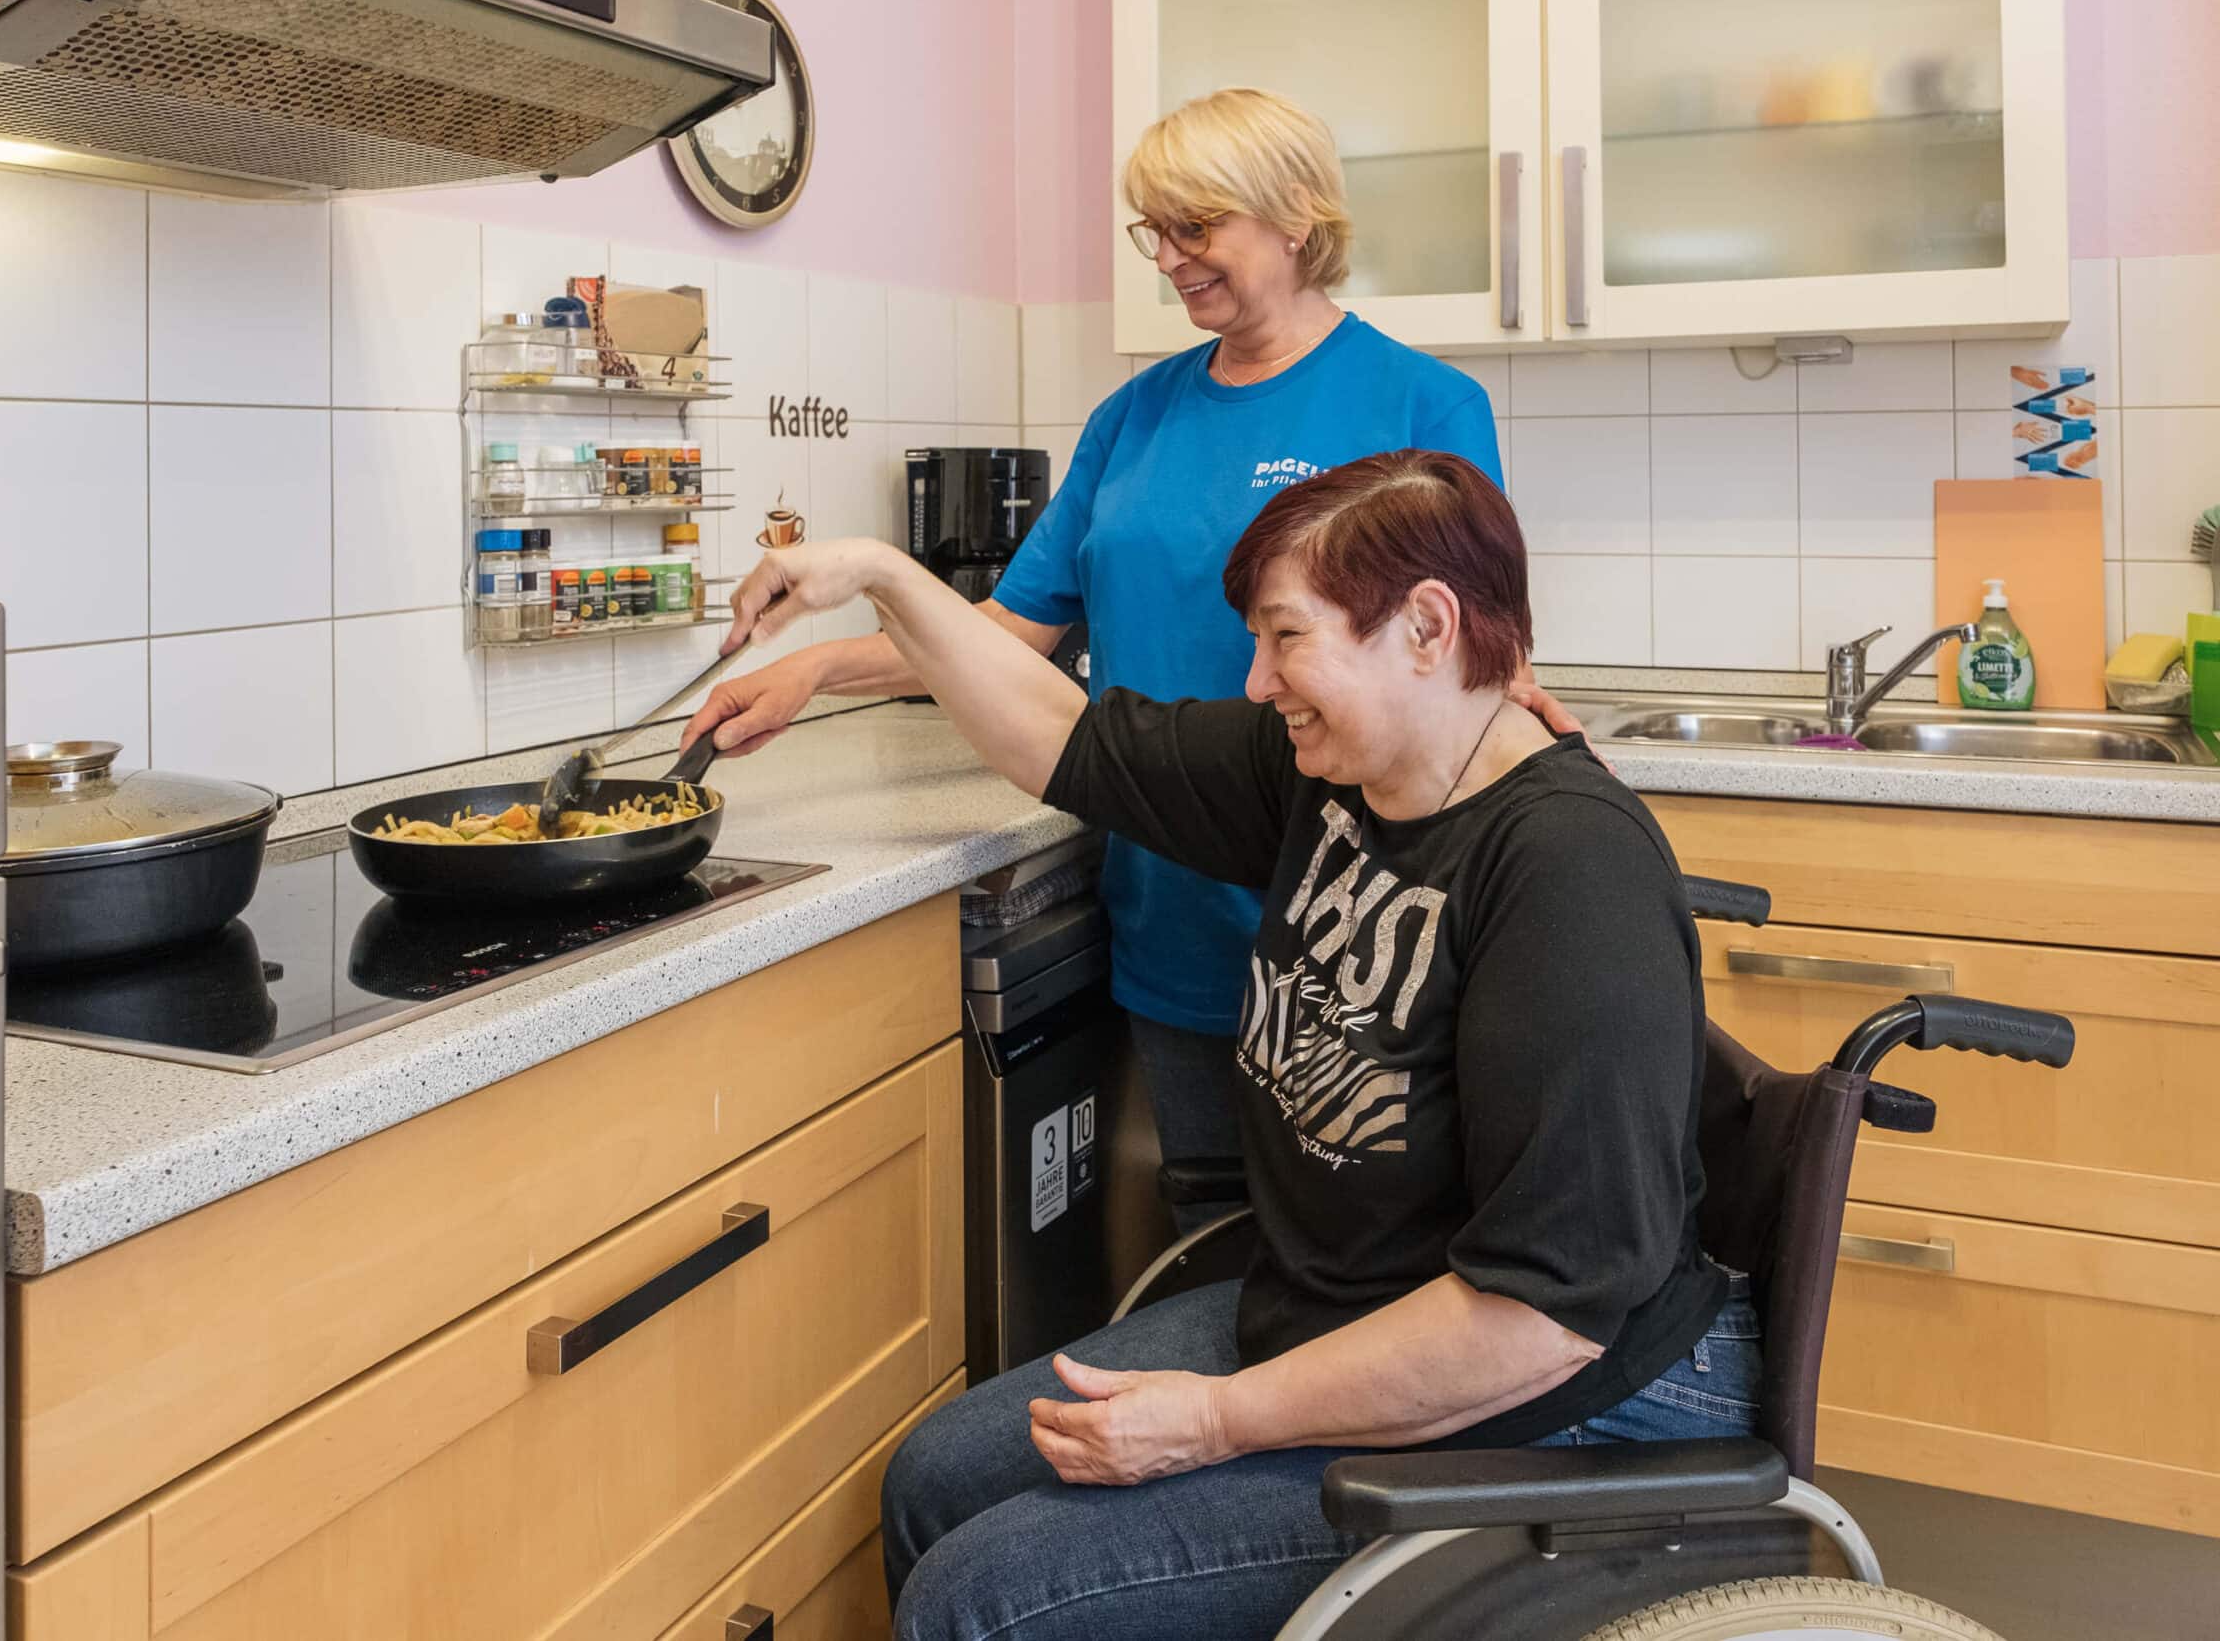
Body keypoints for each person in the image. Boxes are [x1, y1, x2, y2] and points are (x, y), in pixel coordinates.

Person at [714, 451, 1755, 1640]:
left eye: (1286, 638)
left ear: (1426, 628)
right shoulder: (1339, 777)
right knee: (933, 1480)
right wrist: (880, 574)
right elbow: (1065, 738)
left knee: (980, 1598)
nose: (1257, 683)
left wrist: (1213, 1422)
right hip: (1343, 1305)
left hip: (1562, 1400)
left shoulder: (1567, 872)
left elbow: (1539, 1316)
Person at [686, 87, 1525, 1229]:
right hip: (1170, 898)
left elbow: (1475, 662)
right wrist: (817, 669)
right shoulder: (1131, 419)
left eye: (1196, 226)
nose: (1169, 259)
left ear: (1295, 217)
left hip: (1353, 919)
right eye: (1154, 231)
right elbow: (1008, 637)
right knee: (1212, 1227)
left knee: (1365, 1249)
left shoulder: (1424, 404)